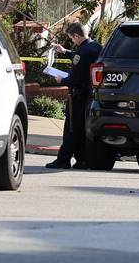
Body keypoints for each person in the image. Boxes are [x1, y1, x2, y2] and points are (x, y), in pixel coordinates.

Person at [46, 22, 103, 170]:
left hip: (77, 96)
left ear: (77, 36)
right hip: (90, 96)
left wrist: (61, 80)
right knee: (81, 130)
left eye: (72, 38)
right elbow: (80, 58)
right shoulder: (95, 47)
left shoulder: (82, 52)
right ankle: (82, 160)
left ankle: (63, 160)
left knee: (71, 129)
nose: (72, 41)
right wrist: (65, 51)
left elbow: (75, 78)